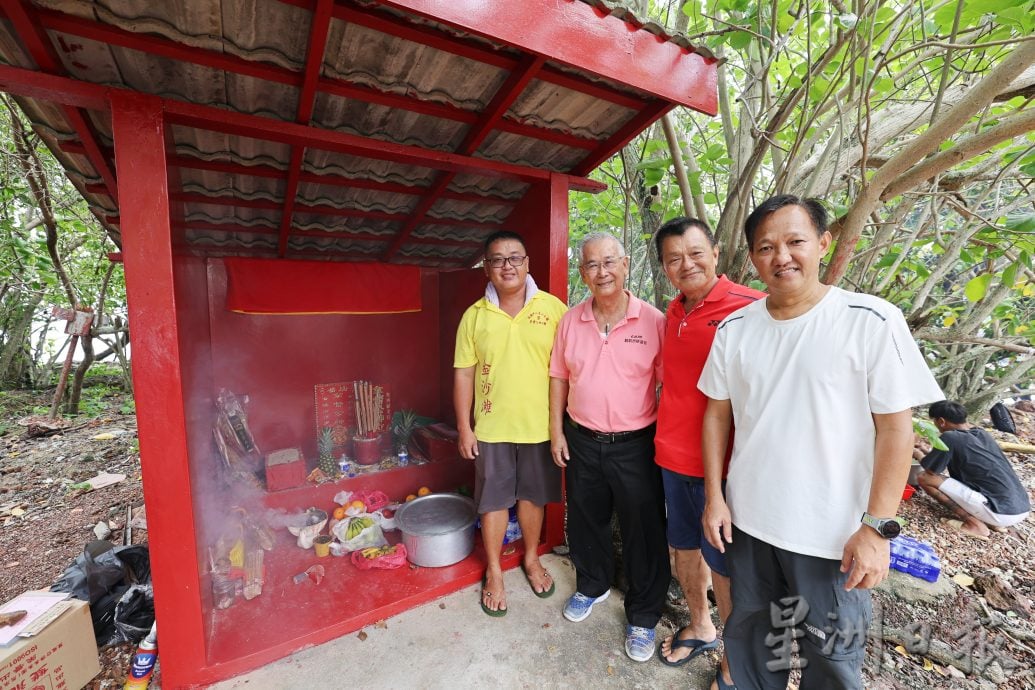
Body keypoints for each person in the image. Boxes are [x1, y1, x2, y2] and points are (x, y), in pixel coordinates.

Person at [698, 195, 943, 689]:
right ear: (752, 258)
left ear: (823, 243)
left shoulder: (869, 319)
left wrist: (877, 528)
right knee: (749, 642)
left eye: (795, 242)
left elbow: (897, 429)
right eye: (766, 247)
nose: (781, 256)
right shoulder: (735, 328)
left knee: (831, 660)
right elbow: (716, 416)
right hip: (750, 524)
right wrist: (714, 498)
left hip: (833, 535)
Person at [548, 232, 670, 663]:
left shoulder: (653, 320)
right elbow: (559, 377)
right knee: (585, 519)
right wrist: (557, 431)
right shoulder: (570, 320)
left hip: (636, 444)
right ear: (582, 273)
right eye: (591, 265)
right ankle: (592, 585)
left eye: (608, 262)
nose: (601, 272)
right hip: (581, 438)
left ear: (625, 265)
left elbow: (668, 386)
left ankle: (643, 615)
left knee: (644, 530)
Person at [652, 218, 764, 676]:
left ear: (716, 253)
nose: (687, 264)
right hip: (670, 458)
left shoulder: (752, 308)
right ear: (664, 268)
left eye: (696, 253)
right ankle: (701, 625)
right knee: (683, 550)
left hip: (723, 468)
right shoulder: (673, 312)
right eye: (674, 258)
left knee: (725, 566)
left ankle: (736, 662)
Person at [454, 230, 568, 617]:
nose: (507, 266)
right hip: (491, 428)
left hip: (541, 428)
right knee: (493, 501)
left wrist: (561, 426)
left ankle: (531, 558)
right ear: (486, 267)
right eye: (498, 259)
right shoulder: (474, 316)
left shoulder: (554, 309)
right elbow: (464, 375)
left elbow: (566, 371)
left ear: (528, 263)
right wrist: (465, 428)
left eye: (515, 258)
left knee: (533, 498)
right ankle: (494, 571)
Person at [915, 400, 1030, 541]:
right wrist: (924, 450)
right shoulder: (982, 434)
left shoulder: (950, 437)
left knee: (924, 478)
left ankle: (974, 524)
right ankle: (990, 522)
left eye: (935, 422)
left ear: (941, 421)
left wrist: (916, 453)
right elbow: (939, 460)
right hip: (1020, 507)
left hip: (1000, 512)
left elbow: (931, 471)